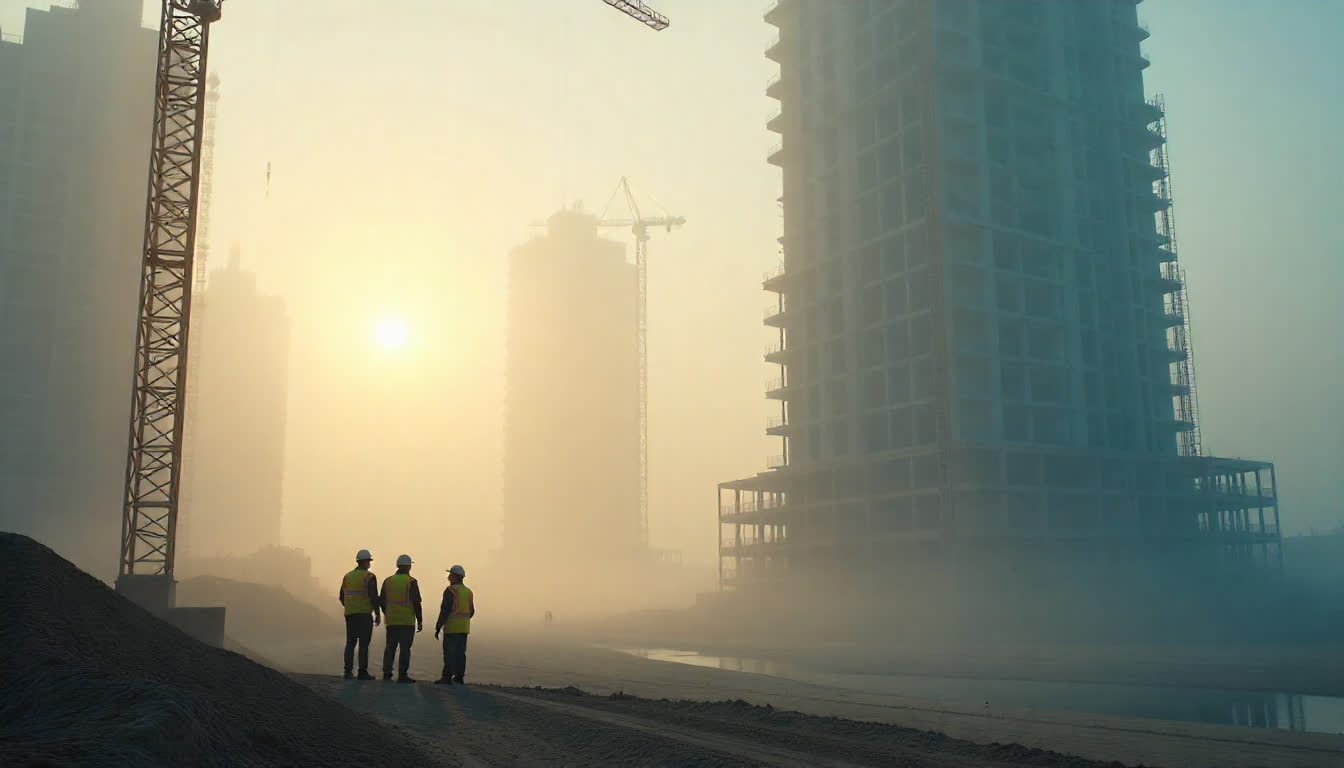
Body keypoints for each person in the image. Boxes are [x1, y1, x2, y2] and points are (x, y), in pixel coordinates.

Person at [338, 548, 381, 680]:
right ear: (364, 562)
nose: (369, 563)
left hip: (350, 614)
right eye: (369, 561)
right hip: (364, 615)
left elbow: (341, 596)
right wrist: (377, 613)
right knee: (363, 644)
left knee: (350, 643)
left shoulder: (348, 576)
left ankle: (347, 672)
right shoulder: (369, 577)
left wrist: (350, 606)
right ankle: (362, 672)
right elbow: (373, 597)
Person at [379, 553, 423, 683]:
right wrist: (420, 620)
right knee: (404, 649)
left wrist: (387, 612)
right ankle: (402, 675)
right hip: (406, 621)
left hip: (392, 620)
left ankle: (387, 674)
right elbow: (416, 603)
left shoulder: (388, 581)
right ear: (409, 567)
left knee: (390, 647)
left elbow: (381, 599)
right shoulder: (411, 582)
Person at [433, 564, 475, 685]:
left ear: (455, 577)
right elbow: (471, 611)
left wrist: (438, 626)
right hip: (464, 629)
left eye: (450, 575)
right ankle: (459, 677)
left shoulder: (450, 591)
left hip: (451, 628)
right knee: (460, 654)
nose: (448, 577)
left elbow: (444, 610)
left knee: (449, 654)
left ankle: (446, 678)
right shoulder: (468, 592)